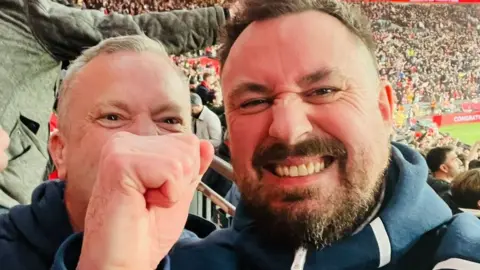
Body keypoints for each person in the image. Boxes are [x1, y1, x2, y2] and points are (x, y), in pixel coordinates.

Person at [54, 0, 480, 269]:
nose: (289, 129)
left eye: (323, 90)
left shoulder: (462, 254)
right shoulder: (173, 262)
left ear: (384, 108)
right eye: (254, 101)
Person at [0, 35, 214, 270]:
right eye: (112, 117)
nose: (145, 138)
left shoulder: (211, 261)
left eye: (169, 120)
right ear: (60, 151)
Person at [0, 0, 231, 212]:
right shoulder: (25, 11)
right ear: (59, 147)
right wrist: (223, 19)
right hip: (9, 188)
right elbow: (126, 33)